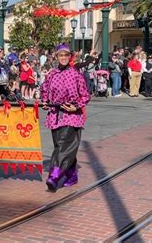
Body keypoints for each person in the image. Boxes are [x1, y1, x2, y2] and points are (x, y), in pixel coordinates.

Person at [41, 43, 90, 192]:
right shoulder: (51, 74)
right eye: (60, 55)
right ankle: (71, 174)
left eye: (66, 55)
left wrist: (76, 106)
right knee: (61, 146)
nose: (63, 58)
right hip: (55, 115)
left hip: (71, 114)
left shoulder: (76, 74)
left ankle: (54, 176)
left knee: (64, 145)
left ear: (70, 57)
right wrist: (46, 102)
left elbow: (85, 95)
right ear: (56, 57)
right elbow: (44, 91)